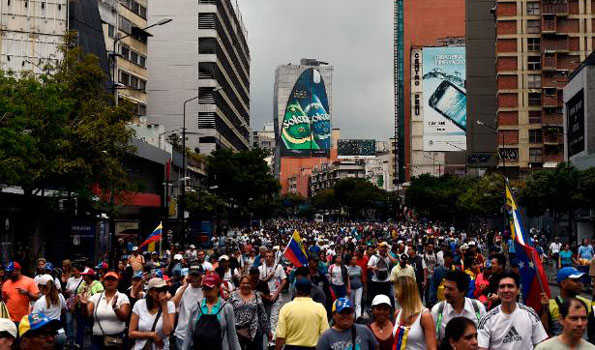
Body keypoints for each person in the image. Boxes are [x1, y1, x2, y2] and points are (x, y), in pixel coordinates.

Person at [477, 272, 547, 350]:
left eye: (510, 286)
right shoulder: (487, 320)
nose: (506, 290)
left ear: (518, 290)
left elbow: (541, 344)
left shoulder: (530, 314)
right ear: (497, 291)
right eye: (502, 287)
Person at [183, 274, 241, 350]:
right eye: (205, 288)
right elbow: (189, 333)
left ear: (217, 288)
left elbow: (232, 335)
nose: (207, 291)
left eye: (210, 288)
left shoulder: (226, 308)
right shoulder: (196, 307)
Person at [431, 270, 486, 341]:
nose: (445, 292)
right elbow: (433, 341)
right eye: (445, 287)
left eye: (450, 289)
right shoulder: (438, 311)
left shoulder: (478, 308)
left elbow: (484, 337)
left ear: (463, 291)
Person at [275, 277, 329, 350]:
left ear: (295, 290)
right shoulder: (320, 308)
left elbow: (280, 336)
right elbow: (325, 335)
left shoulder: (286, 308)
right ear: (310, 290)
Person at [540, 266, 593, 337]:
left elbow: (592, 332)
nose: (580, 284)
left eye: (580, 280)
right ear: (563, 283)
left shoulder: (587, 303)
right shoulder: (550, 305)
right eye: (575, 281)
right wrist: (545, 309)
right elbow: (544, 332)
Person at [85, 271, 130, 350]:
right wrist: (84, 305)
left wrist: (115, 308)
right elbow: (88, 314)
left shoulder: (123, 297)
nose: (110, 282)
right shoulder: (96, 297)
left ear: (117, 282)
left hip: (116, 339)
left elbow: (124, 317)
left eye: (113, 280)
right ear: (103, 281)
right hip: (97, 339)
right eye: (107, 279)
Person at [129, 277, 175, 350]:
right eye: (158, 290)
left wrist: (164, 306)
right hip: (141, 347)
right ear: (150, 292)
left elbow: (167, 332)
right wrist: (151, 335)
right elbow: (131, 333)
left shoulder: (170, 305)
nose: (161, 293)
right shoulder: (139, 304)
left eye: (164, 290)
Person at [393, 276, 437, 350]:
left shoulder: (425, 316)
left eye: (397, 292)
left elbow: (432, 348)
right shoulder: (397, 313)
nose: (396, 296)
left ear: (406, 294)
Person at [230, 275, 269, 350]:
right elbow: (228, 313)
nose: (245, 285)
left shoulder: (256, 296)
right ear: (239, 284)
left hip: (254, 333)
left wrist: (268, 331)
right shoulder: (233, 296)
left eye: (248, 283)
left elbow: (262, 314)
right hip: (237, 333)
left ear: (251, 284)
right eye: (243, 283)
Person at [172, 265, 204, 349]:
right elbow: (172, 306)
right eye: (192, 275)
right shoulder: (182, 289)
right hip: (182, 335)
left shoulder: (206, 290)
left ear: (201, 276)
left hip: (201, 336)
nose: (194, 278)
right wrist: (185, 286)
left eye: (196, 275)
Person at [31, 274, 66, 346]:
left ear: (41, 287)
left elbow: (35, 320)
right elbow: (63, 309)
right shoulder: (60, 297)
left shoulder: (40, 302)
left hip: (48, 336)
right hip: (61, 333)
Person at [258, 250, 287, 337]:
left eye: (270, 256)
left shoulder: (279, 267)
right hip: (264, 297)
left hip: (276, 296)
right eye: (266, 256)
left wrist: (276, 294)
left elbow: (284, 280)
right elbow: (259, 283)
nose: (268, 258)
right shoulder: (260, 268)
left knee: (273, 318)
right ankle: (265, 336)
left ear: (273, 257)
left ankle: (272, 341)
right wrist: (268, 277)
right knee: (264, 318)